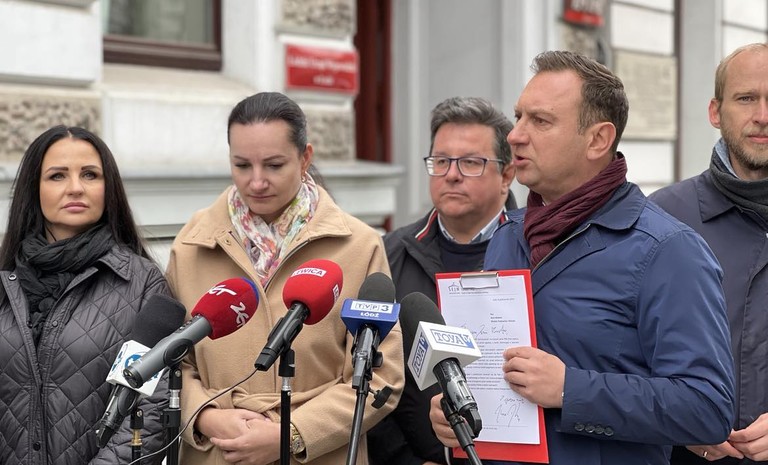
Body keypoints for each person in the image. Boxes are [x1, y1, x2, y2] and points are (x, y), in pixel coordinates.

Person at [429, 50, 735, 465]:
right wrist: (456, 414)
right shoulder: (507, 236)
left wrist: (570, 389)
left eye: (540, 121)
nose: (515, 135)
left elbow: (706, 409)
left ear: (597, 140)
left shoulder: (668, 250)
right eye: (519, 117)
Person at [166, 91, 404, 465]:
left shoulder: (359, 245)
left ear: (305, 157)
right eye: (242, 165)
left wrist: (292, 434)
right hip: (217, 452)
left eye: (274, 165)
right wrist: (206, 417)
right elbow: (171, 359)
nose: (257, 181)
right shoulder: (191, 243)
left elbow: (382, 377)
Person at [0, 125, 172, 464]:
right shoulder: (5, 278)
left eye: (90, 174)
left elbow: (150, 410)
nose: (76, 187)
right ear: (34, 189)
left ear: (109, 188)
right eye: (57, 176)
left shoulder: (141, 283)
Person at [368, 96, 516, 465]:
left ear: (507, 175)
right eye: (441, 161)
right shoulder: (388, 255)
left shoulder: (538, 252)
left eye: (471, 163)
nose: (451, 174)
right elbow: (366, 377)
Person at [649, 43, 768, 464]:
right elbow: (625, 352)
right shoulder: (662, 218)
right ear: (716, 112)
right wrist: (682, 424)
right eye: (746, 98)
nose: (763, 115)